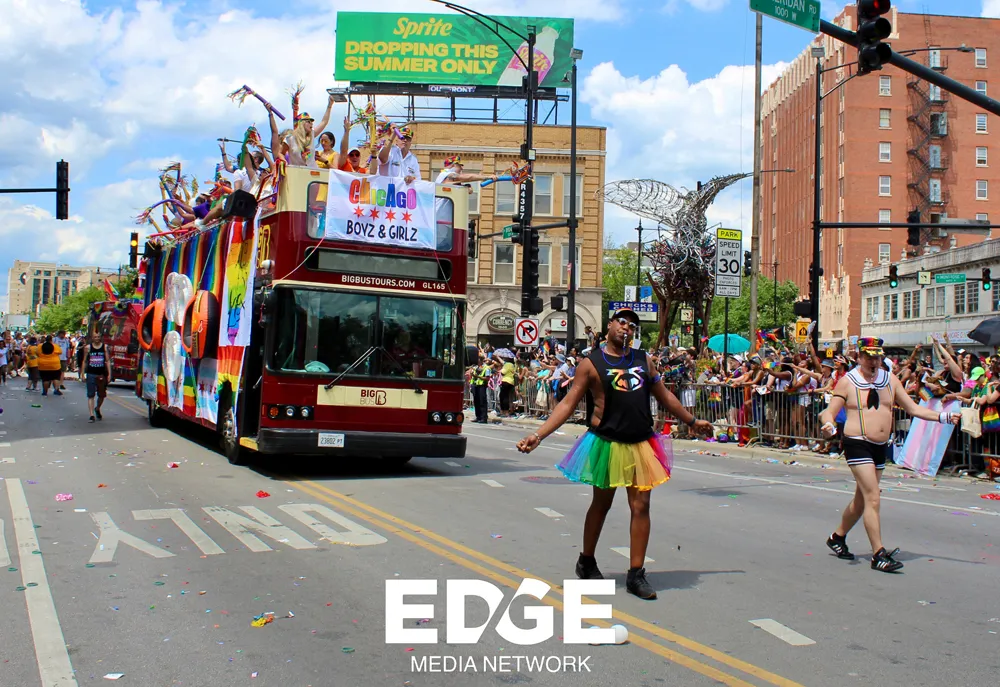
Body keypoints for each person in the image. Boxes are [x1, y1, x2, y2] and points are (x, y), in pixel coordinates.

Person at [516, 308, 713, 600]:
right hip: (606, 442)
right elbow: (568, 404)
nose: (626, 328)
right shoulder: (591, 363)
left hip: (641, 442)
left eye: (632, 325)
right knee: (601, 504)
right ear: (609, 325)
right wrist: (538, 435)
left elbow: (664, 395)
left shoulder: (643, 360)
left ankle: (636, 574)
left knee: (641, 506)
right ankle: (586, 561)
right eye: (622, 322)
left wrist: (692, 421)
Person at [819, 337, 960, 573]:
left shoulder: (889, 379)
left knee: (862, 499)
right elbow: (829, 412)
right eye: (868, 357)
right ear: (859, 357)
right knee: (873, 497)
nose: (873, 361)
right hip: (857, 443)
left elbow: (913, 408)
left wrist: (942, 417)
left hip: (879, 445)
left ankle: (837, 537)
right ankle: (878, 554)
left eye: (877, 357)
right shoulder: (847, 382)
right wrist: (828, 424)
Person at [83, 331, 111, 422]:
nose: (97, 338)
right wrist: (82, 373)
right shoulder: (88, 348)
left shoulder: (104, 347)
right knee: (91, 395)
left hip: (101, 374)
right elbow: (84, 361)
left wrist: (109, 374)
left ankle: (97, 408)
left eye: (98, 337)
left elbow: (107, 361)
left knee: (101, 395)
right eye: (95, 337)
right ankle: (91, 415)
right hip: (91, 373)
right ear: (92, 338)